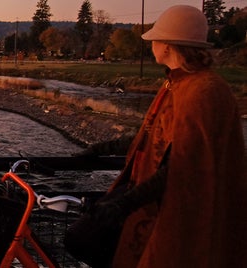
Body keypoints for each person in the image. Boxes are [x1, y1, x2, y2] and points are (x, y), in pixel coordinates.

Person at [91, 5, 245, 267]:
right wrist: (103, 147)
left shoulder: (203, 91)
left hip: (183, 216)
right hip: (161, 208)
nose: (152, 45)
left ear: (168, 45)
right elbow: (156, 139)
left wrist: (126, 203)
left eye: (155, 39)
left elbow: (185, 163)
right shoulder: (179, 83)